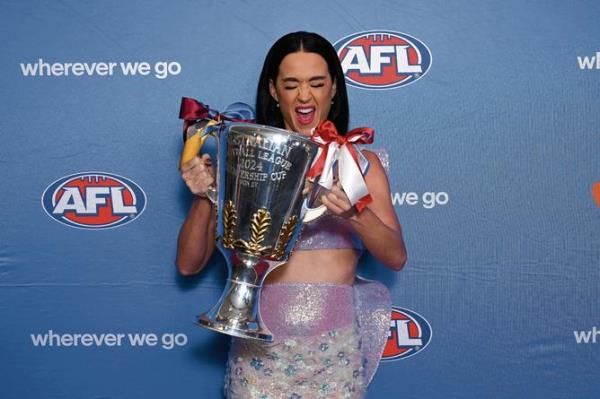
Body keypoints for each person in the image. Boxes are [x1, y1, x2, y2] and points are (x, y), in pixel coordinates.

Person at [177, 31, 407, 399]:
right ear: (273, 90)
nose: (304, 96)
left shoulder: (361, 163)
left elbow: (395, 256)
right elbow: (188, 265)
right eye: (291, 84)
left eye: (317, 83)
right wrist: (205, 196)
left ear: (334, 89)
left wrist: (352, 213)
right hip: (257, 357)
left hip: (335, 357)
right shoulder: (244, 159)